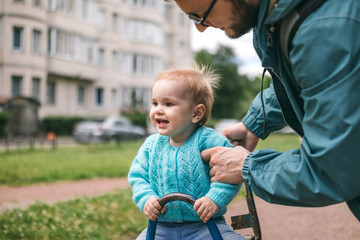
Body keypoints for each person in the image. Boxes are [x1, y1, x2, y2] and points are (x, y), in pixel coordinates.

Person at [168, 0, 360, 221]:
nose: (200, 28)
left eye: (199, 16)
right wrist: (255, 122)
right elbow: (304, 80)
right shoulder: (282, 16)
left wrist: (248, 167)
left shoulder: (322, 28)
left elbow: (335, 168)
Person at [128, 66, 245, 239]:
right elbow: (138, 177)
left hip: (205, 225)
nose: (158, 110)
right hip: (161, 227)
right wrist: (147, 198)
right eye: (155, 103)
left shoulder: (209, 141)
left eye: (168, 104)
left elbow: (229, 175)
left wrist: (214, 199)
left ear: (196, 113)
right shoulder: (151, 146)